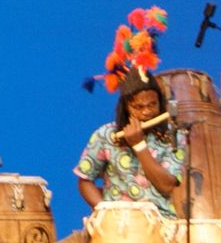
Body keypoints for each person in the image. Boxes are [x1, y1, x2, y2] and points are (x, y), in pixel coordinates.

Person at [75, 74, 182, 214]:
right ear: (126, 107)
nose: (146, 112)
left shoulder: (174, 136)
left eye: (152, 105)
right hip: (117, 219)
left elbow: (167, 187)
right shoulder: (106, 134)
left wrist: (139, 145)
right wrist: (105, 212)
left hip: (162, 218)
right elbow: (85, 180)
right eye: (138, 107)